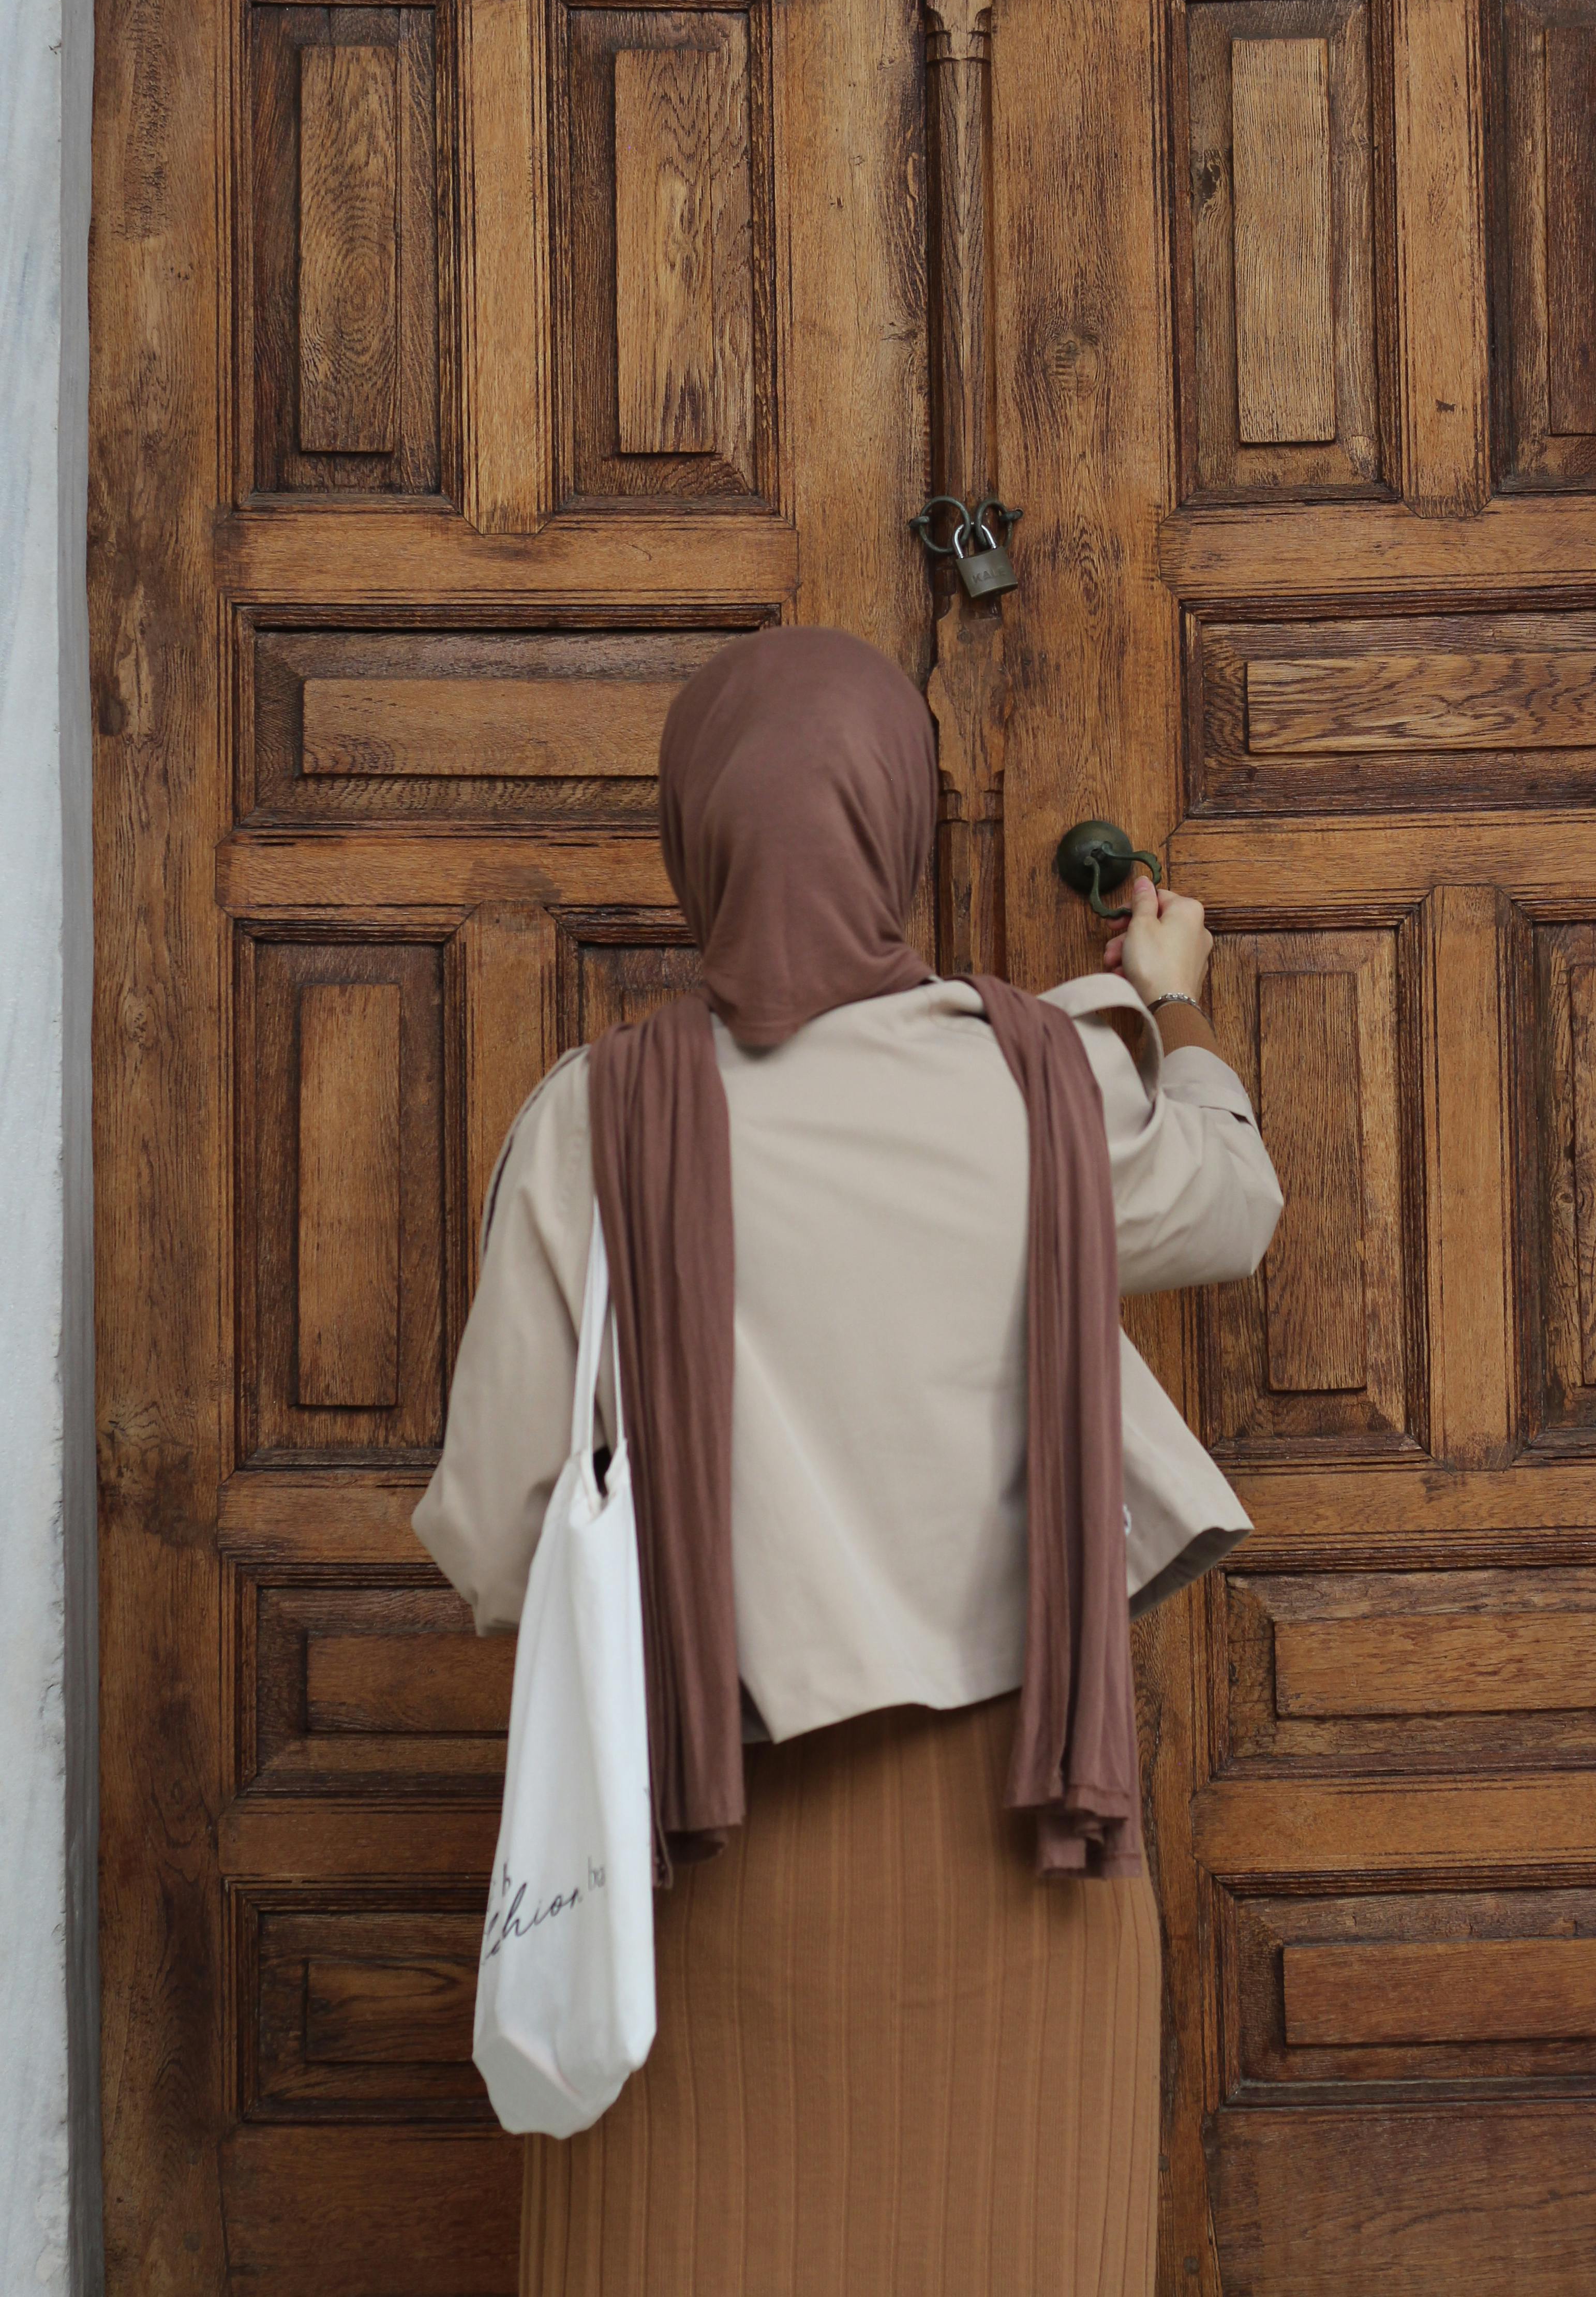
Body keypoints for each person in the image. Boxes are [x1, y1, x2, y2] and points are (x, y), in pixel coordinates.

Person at [415, 626, 1281, 2297]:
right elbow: (1231, 1209)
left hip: (698, 1854)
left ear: (699, 836)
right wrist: (1167, 1008)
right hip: (1032, 1831)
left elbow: (499, 1525)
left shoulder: (598, 1119)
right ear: (897, 825)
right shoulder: (1042, 1086)